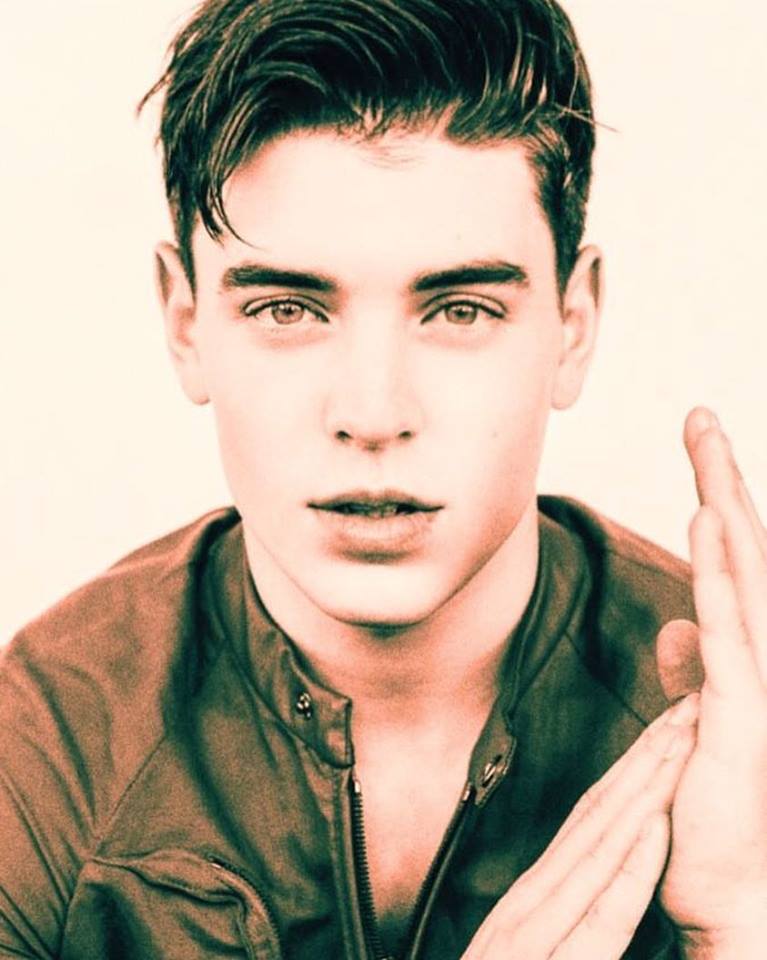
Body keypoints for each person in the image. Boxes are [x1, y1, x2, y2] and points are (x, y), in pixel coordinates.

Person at [1, 0, 765, 957]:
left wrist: (740, 925)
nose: (371, 413)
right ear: (185, 323)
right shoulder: (47, 740)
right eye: (287, 310)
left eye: (459, 310)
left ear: (572, 326)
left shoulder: (738, 722)